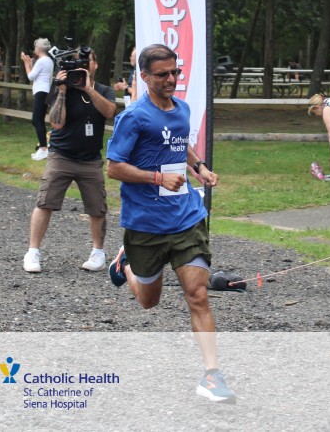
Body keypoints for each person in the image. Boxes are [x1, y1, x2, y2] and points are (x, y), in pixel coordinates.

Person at [105, 44, 235, 404]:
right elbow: (113, 168)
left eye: (174, 72)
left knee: (198, 294)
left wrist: (200, 168)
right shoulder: (134, 117)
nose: (170, 79)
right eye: (162, 74)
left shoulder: (182, 110)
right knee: (149, 301)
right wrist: (157, 178)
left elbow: (181, 145)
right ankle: (125, 264)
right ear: (144, 76)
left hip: (186, 217)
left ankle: (212, 377)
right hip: (146, 224)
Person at [22, 49, 116, 274]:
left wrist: (88, 88)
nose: (81, 66)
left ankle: (98, 253)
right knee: (45, 202)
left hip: (90, 159)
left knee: (97, 207)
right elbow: (56, 123)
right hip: (62, 156)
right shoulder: (61, 87)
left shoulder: (103, 90)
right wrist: (62, 91)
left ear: (95, 65)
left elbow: (109, 112)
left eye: (86, 61)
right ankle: (33, 251)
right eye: (77, 63)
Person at [21, 38, 54, 161]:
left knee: (36, 120)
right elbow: (36, 73)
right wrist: (30, 63)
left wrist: (26, 63)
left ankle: (44, 148)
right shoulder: (48, 60)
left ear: (39, 48)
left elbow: (31, 76)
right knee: (39, 119)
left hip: (41, 91)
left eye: (35, 47)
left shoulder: (42, 61)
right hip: (45, 91)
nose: (34, 49)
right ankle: (43, 147)